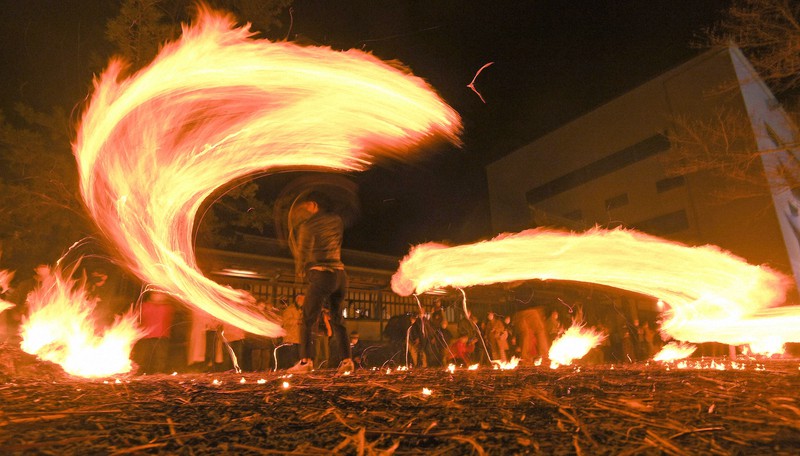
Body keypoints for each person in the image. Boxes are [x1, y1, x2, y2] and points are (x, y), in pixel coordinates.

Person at [288, 192, 352, 373]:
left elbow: (303, 251)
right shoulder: (337, 220)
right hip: (340, 274)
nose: (303, 212)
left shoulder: (308, 225)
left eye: (305, 207)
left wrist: (301, 268)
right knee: (338, 318)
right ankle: (347, 361)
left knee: (307, 319)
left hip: (322, 274)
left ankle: (305, 361)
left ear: (313, 205)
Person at [132, 291, 175, 374]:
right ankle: (143, 371)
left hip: (161, 336)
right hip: (147, 336)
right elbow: (139, 318)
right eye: (155, 294)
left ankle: (157, 372)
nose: (158, 296)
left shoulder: (167, 307)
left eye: (160, 294)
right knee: (145, 355)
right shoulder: (145, 306)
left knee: (160, 356)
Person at [279, 294, 303, 368]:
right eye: (302, 300)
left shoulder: (302, 310)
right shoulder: (289, 309)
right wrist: (297, 321)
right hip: (291, 338)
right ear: (297, 300)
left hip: (299, 338)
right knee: (291, 358)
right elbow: (285, 322)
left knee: (298, 358)